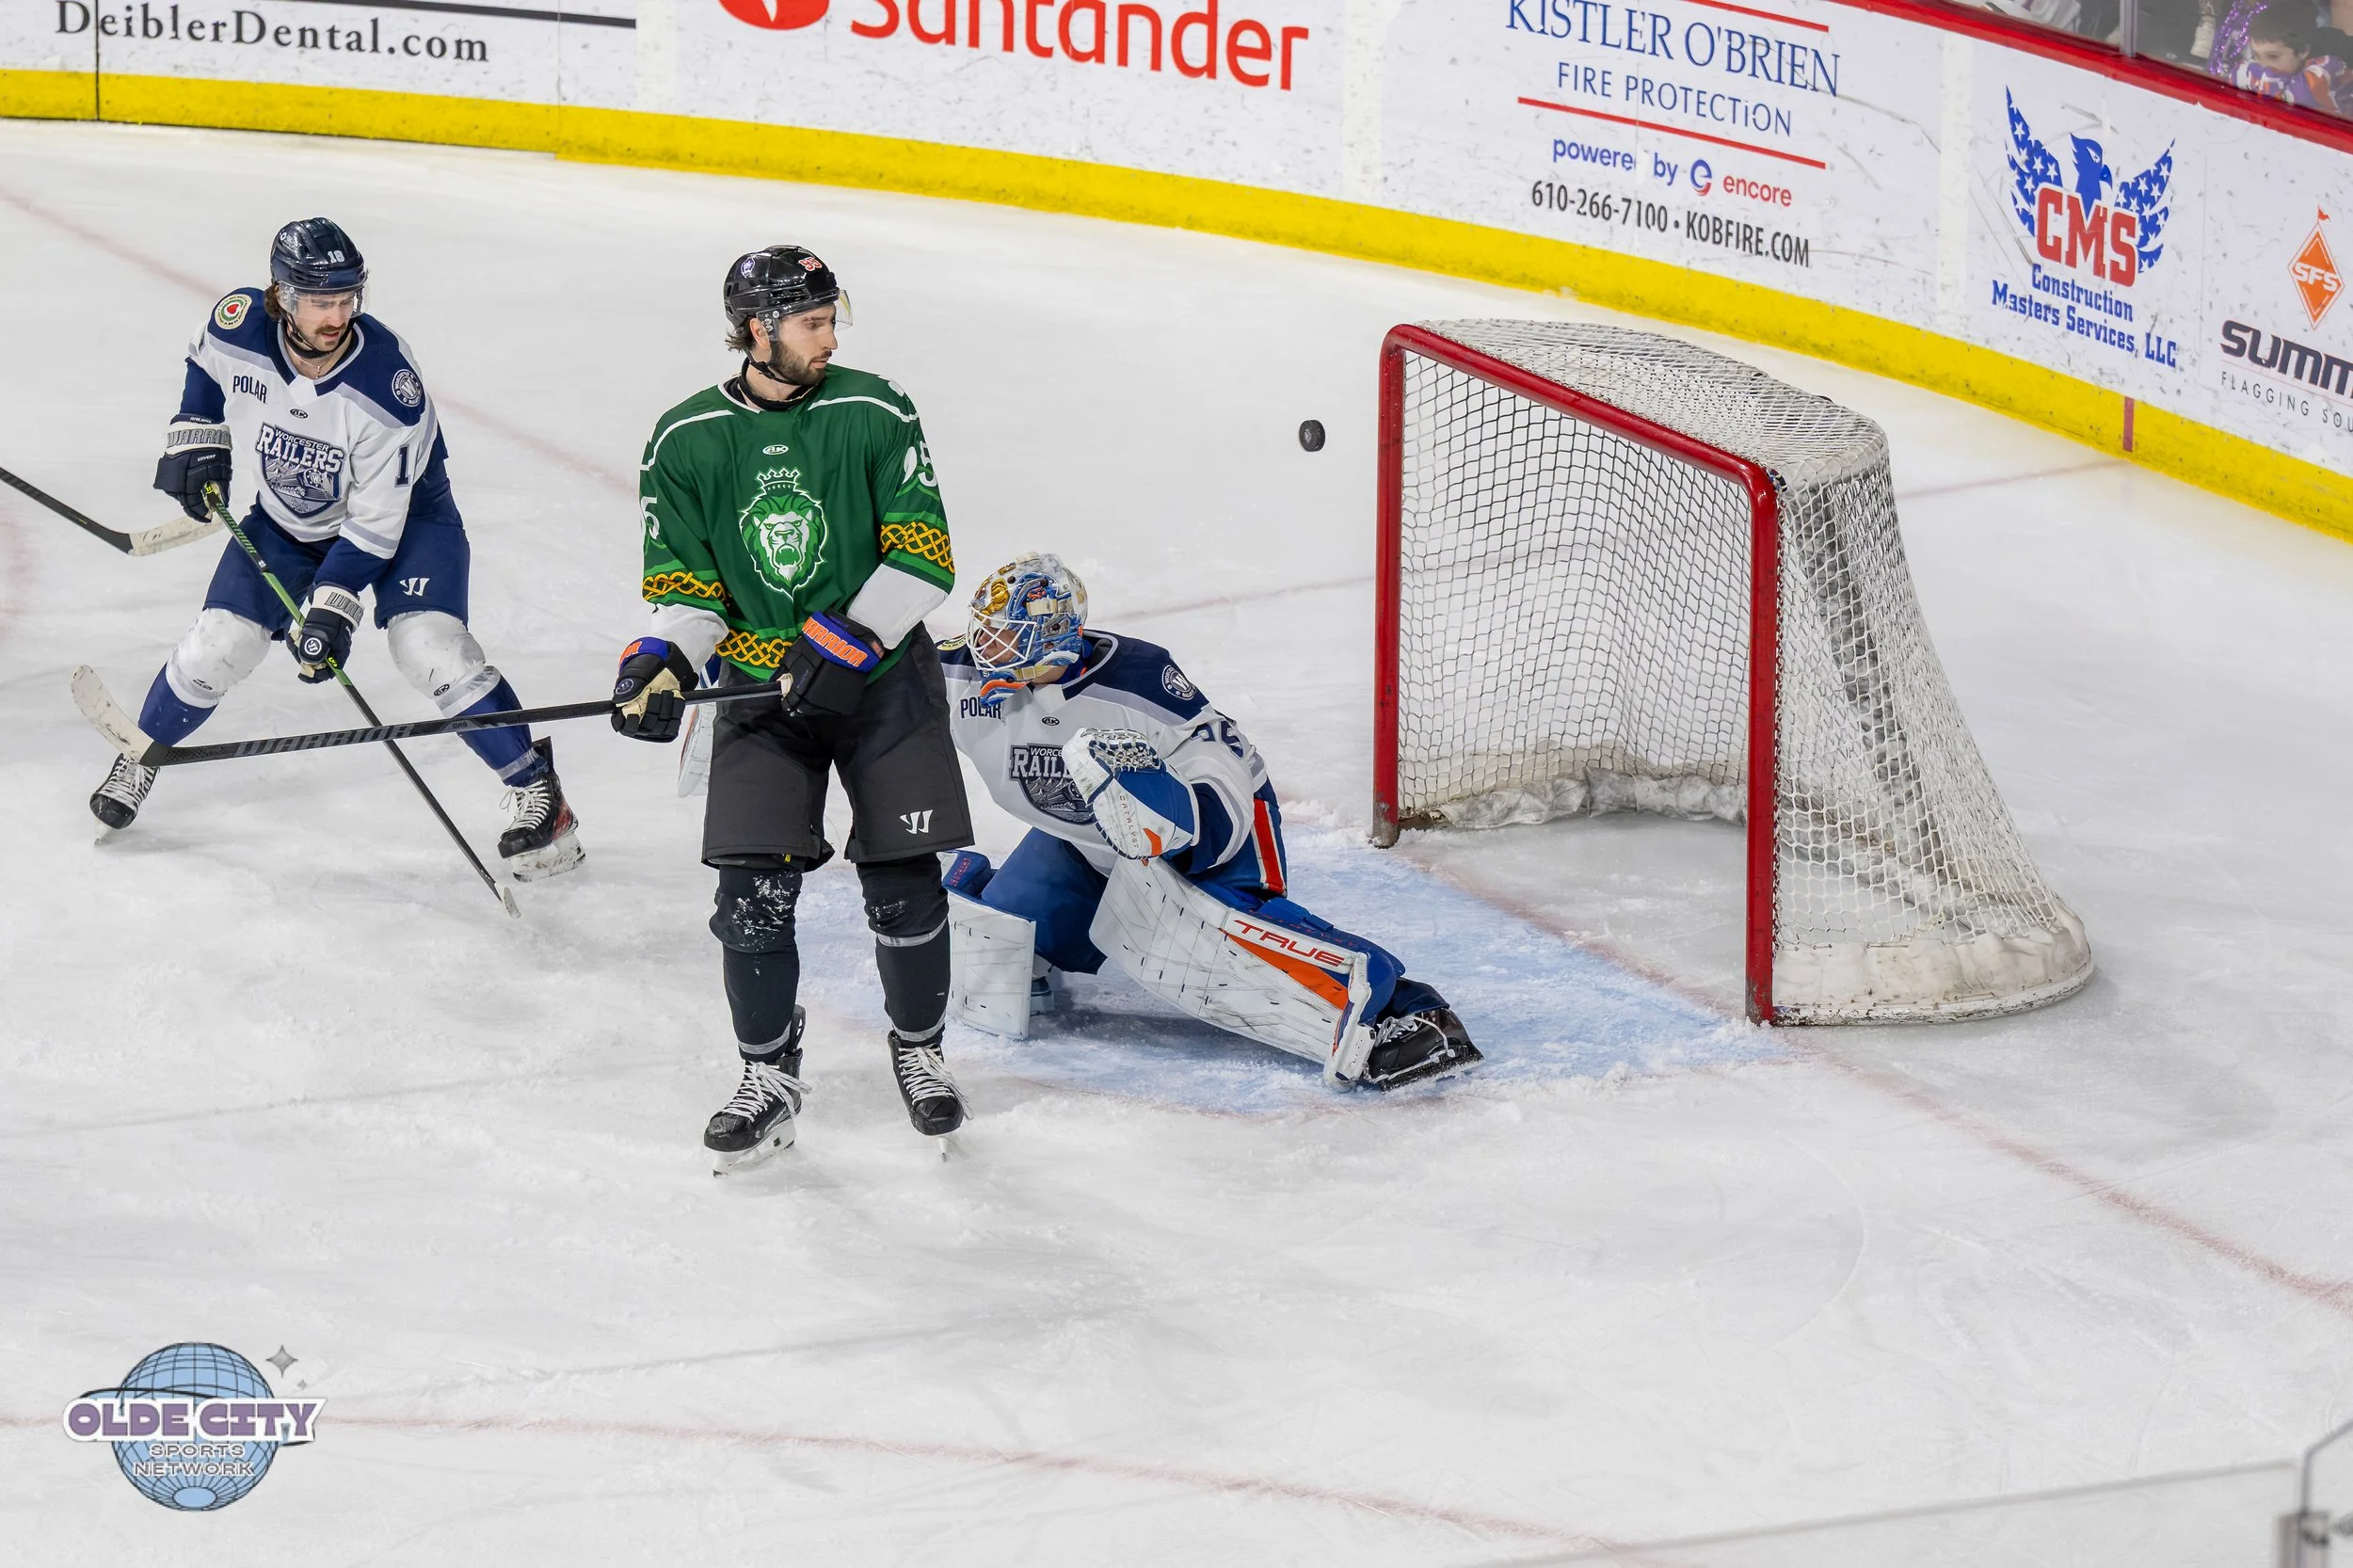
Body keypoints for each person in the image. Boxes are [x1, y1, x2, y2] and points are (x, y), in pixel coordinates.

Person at [613, 245, 973, 1173]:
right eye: (812, 320)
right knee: (749, 899)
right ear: (756, 329)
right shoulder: (685, 439)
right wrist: (661, 659)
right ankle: (768, 1078)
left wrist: (846, 640)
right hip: (758, 692)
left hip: (882, 673)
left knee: (902, 880)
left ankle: (920, 1048)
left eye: (829, 317)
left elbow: (924, 551)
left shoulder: (872, 407)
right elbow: (689, 592)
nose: (830, 334)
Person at [92, 217, 583, 881]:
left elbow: (380, 519)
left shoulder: (387, 386)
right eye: (321, 301)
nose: (337, 315)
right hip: (288, 519)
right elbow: (204, 361)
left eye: (347, 299)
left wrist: (331, 607)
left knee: (429, 645)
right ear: (283, 298)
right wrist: (198, 433)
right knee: (218, 644)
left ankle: (536, 790)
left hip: (411, 524)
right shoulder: (240, 323)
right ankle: (142, 753)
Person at [937, 553, 1481, 1091]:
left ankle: (1409, 1011)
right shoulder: (959, 673)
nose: (988, 649)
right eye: (987, 633)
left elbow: (1221, 772)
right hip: (1080, 842)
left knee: (1218, 944)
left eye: (1008, 637)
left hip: (1214, 832)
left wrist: (1180, 854)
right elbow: (882, 693)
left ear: (1057, 635)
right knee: (997, 946)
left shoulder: (1142, 682)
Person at [2236, 5, 2353, 110]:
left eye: (2273, 56)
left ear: (2303, 51)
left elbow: (2299, 96)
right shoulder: (2274, 68)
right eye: (2256, 55)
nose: (2262, 64)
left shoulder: (2327, 68)